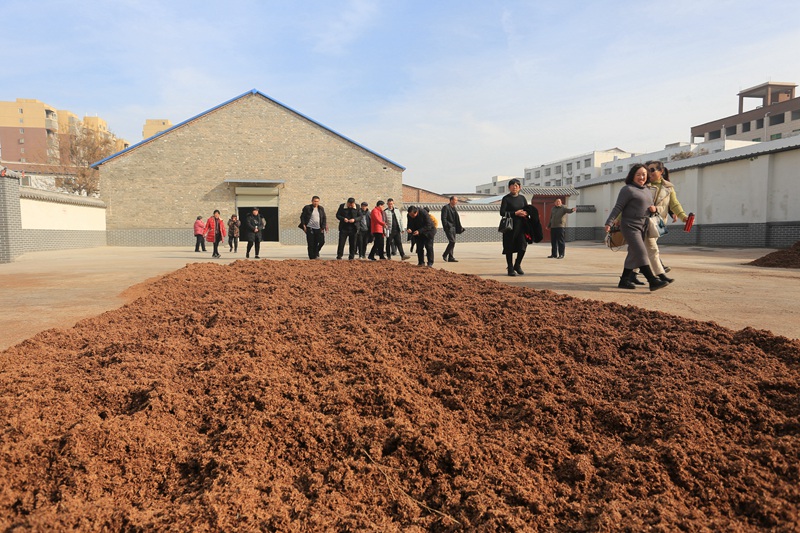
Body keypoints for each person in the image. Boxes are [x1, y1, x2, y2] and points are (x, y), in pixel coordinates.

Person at [604, 164, 669, 291]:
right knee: (641, 252)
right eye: (638, 174)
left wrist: (652, 209)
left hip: (643, 225)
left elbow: (648, 207)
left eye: (644, 174)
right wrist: (609, 222)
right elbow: (618, 207)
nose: (641, 177)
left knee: (633, 253)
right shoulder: (627, 190)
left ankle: (624, 280)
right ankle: (652, 280)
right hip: (629, 226)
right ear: (632, 176)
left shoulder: (646, 190)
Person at [644, 160, 691, 284]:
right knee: (652, 249)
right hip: (644, 222)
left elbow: (674, 204)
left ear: (661, 171)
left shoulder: (668, 187)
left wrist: (683, 217)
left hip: (658, 223)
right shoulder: (644, 186)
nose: (650, 173)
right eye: (648, 170)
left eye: (653, 170)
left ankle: (629, 275)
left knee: (643, 250)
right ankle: (660, 275)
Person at [500, 178, 530, 276]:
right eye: (512, 185)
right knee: (509, 247)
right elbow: (502, 212)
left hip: (521, 226)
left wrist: (525, 213)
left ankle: (517, 264)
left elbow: (527, 210)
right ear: (509, 187)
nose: (514, 187)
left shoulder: (522, 198)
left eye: (517, 185)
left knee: (523, 246)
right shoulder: (506, 198)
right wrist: (515, 213)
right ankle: (510, 267)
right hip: (510, 227)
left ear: (519, 187)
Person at [440, 196, 463, 262]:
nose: (456, 202)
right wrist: (446, 227)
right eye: (455, 200)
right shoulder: (446, 208)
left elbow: (456, 219)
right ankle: (445, 254)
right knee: (452, 241)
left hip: (454, 227)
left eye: (457, 200)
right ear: (451, 200)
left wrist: (459, 227)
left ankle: (451, 257)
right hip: (448, 227)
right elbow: (443, 218)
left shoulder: (454, 208)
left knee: (453, 242)